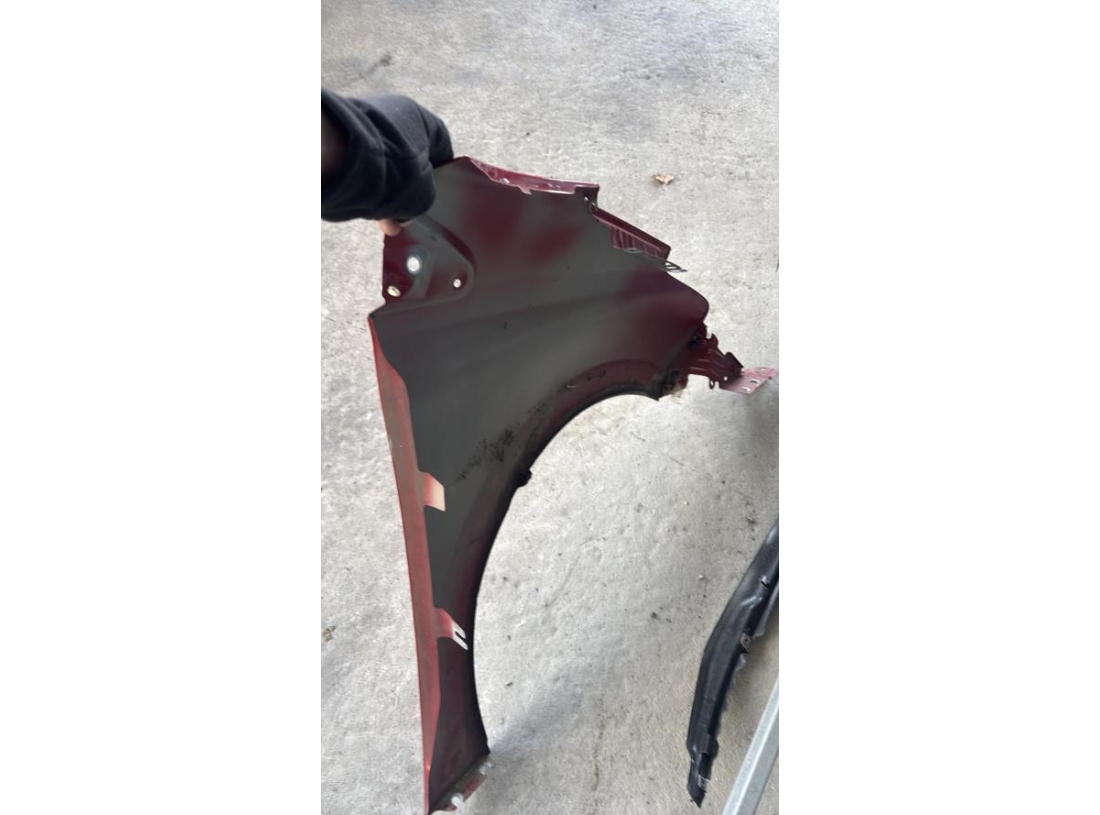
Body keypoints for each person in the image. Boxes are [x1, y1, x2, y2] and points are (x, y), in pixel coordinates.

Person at [321, 89, 453, 234]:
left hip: (422, 130)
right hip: (390, 110)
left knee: (447, 179)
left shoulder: (406, 183)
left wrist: (391, 217)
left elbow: (394, 229)